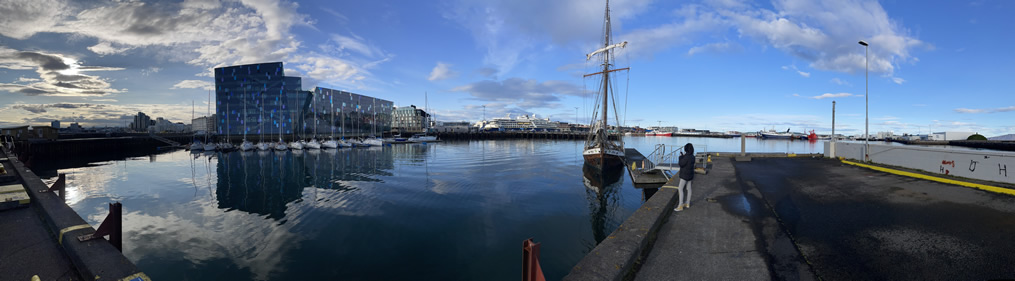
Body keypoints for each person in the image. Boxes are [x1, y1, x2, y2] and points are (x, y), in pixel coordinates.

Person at [674, 143, 695, 212]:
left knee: (680, 189)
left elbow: (681, 164)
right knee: (689, 188)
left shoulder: (686, 157)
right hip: (690, 175)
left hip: (684, 176)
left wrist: (680, 157)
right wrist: (683, 156)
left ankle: (680, 205)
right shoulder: (692, 157)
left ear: (686, 149)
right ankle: (687, 203)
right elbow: (687, 162)